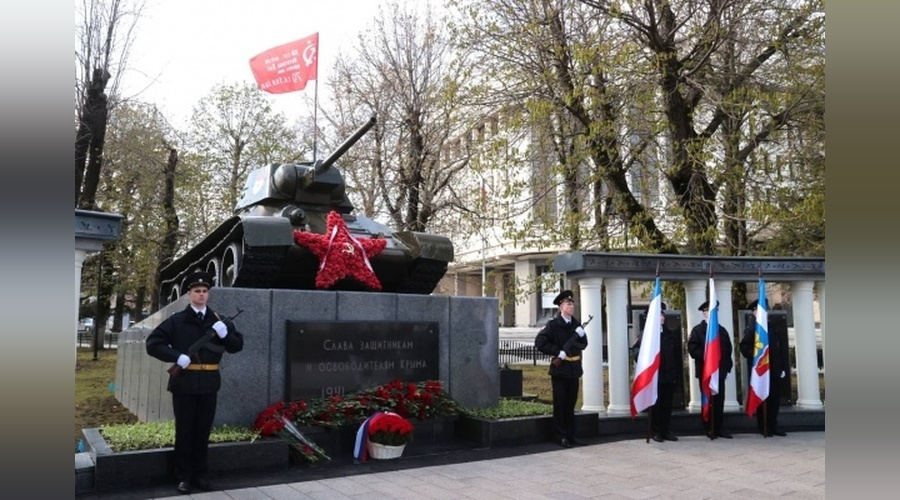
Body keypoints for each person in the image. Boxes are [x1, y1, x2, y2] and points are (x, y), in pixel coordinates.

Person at [146, 271, 244, 494]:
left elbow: (236, 346)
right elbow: (153, 343)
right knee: (185, 431)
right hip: (185, 383)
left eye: (204, 291)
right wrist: (176, 356)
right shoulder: (177, 320)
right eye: (197, 291)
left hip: (209, 383)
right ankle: (183, 477)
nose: (201, 295)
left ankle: (201, 474)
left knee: (203, 431)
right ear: (189, 294)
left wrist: (225, 334)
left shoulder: (218, 320)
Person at [534, 290, 588, 448]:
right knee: (560, 404)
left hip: (574, 368)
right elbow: (540, 343)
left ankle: (571, 435)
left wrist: (577, 339)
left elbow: (584, 344)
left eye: (572, 304)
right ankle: (560, 435)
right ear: (560, 307)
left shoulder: (576, 325)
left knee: (571, 404)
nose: (571, 306)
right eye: (568, 304)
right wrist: (558, 352)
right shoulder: (553, 325)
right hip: (560, 370)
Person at [632, 302, 680, 442]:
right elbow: (636, 351)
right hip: (654, 377)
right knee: (656, 405)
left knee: (667, 405)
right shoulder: (646, 336)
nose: (662, 317)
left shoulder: (670, 334)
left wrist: (675, 375)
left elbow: (676, 356)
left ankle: (666, 430)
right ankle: (656, 431)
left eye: (663, 314)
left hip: (668, 376)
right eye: (659, 314)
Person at [740, 300, 788, 437]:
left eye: (765, 310)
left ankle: (773, 425)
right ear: (754, 312)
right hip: (761, 370)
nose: (764, 313)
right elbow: (744, 348)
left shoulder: (771, 327)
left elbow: (779, 349)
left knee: (774, 399)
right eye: (760, 310)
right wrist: (757, 356)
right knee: (762, 399)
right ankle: (764, 427)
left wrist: (782, 367)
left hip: (774, 369)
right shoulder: (752, 328)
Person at [687, 300, 734, 440]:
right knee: (708, 400)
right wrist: (709, 357)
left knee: (719, 400)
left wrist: (726, 368)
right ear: (704, 313)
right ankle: (708, 428)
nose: (712, 314)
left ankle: (719, 427)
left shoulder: (722, 330)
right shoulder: (697, 330)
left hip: (719, 372)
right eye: (709, 311)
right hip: (705, 371)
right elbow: (692, 349)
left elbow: (727, 350)